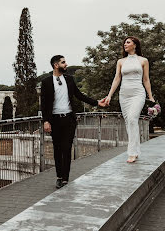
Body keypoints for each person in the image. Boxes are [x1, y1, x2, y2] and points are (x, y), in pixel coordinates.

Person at [41, 55, 106, 188]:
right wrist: (46, 121)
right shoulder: (46, 82)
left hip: (69, 119)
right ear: (55, 65)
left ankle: (65, 178)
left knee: (66, 148)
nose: (66, 64)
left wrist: (97, 103)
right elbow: (44, 104)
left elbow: (79, 95)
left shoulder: (69, 80)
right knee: (58, 149)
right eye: (63, 62)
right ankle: (59, 176)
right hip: (54, 120)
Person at [104, 36, 154, 163]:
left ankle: (131, 152)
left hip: (138, 93)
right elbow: (117, 79)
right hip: (124, 95)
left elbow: (146, 79)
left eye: (128, 42)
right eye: (124, 43)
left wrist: (150, 96)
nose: (125, 45)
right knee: (129, 122)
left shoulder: (143, 60)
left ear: (135, 45)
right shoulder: (121, 61)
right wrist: (109, 95)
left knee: (132, 118)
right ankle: (135, 151)